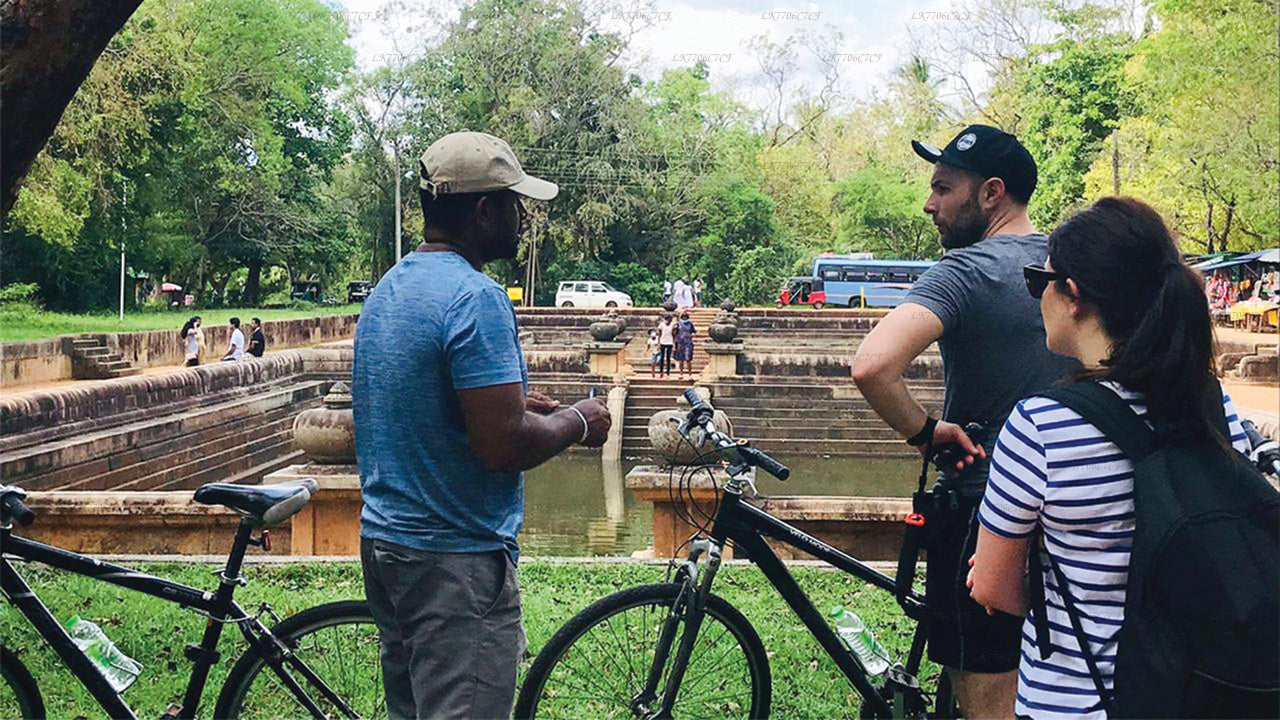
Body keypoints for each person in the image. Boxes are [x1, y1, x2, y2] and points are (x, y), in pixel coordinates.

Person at [352, 131, 611, 720]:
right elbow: (502, 447)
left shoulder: (390, 289)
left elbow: (421, 403)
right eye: (515, 203)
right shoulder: (475, 298)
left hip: (389, 545)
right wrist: (577, 420)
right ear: (485, 211)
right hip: (455, 561)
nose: (522, 218)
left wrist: (514, 405)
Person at [967, 197, 1253, 719]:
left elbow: (992, 588)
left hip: (1077, 703)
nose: (1038, 296)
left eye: (1039, 281)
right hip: (1197, 695)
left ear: (1072, 295)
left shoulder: (1040, 426)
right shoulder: (1214, 405)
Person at [852, 124, 1078, 718]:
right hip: (1079, 515)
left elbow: (872, 366)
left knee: (988, 695)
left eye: (943, 188)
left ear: (991, 193)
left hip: (984, 514)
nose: (930, 204)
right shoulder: (1072, 267)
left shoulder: (965, 271)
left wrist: (926, 433)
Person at [674, 311, 696, 379]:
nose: (684, 318)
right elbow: (674, 333)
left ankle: (690, 374)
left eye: (685, 317)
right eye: (683, 317)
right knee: (681, 359)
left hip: (688, 342)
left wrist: (692, 335)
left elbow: (693, 332)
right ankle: (681, 374)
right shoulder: (678, 324)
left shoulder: (690, 324)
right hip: (680, 343)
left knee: (688, 359)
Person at [657, 312, 675, 378]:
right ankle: (661, 371)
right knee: (662, 357)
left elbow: (673, 334)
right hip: (663, 342)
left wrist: (674, 343)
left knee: (668, 358)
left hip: (669, 342)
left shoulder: (672, 325)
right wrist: (658, 343)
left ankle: (668, 372)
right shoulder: (661, 325)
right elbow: (659, 334)